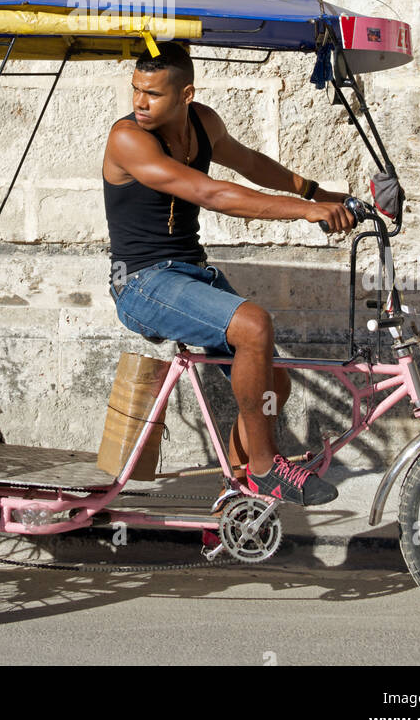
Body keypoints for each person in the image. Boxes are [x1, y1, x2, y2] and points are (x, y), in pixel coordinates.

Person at [102, 41, 355, 506]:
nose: (139, 102)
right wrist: (304, 212)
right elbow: (213, 194)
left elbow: (251, 164)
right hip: (141, 283)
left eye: (153, 94)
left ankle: (237, 490)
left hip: (190, 273)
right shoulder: (128, 139)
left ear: (186, 95)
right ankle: (264, 468)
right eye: (136, 90)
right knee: (254, 325)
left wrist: (319, 192)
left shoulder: (204, 122)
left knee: (275, 383)